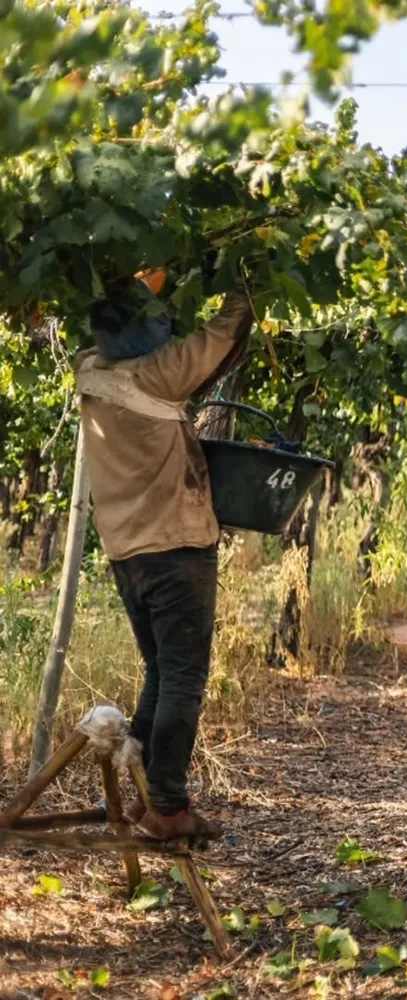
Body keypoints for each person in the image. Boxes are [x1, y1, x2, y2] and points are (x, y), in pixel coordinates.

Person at [74, 276, 253, 840]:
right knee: (183, 677)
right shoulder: (156, 375)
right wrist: (243, 279)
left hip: (127, 554)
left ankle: (150, 795)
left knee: (161, 671)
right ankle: (168, 806)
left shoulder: (90, 371)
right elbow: (222, 336)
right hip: (176, 548)